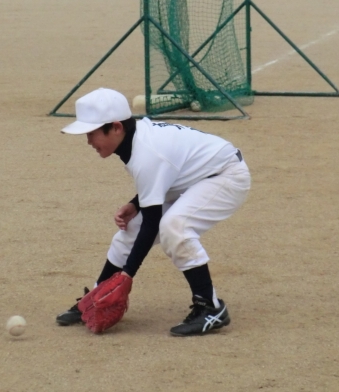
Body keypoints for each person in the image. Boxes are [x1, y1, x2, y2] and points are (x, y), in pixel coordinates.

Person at [55, 88, 251, 336]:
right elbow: (168, 173)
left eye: (92, 133)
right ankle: (95, 298)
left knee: (174, 226)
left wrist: (127, 275)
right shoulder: (134, 139)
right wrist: (136, 203)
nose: (88, 141)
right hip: (196, 176)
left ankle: (210, 307)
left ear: (116, 127)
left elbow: (152, 221)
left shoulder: (146, 152)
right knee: (130, 231)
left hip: (226, 176)